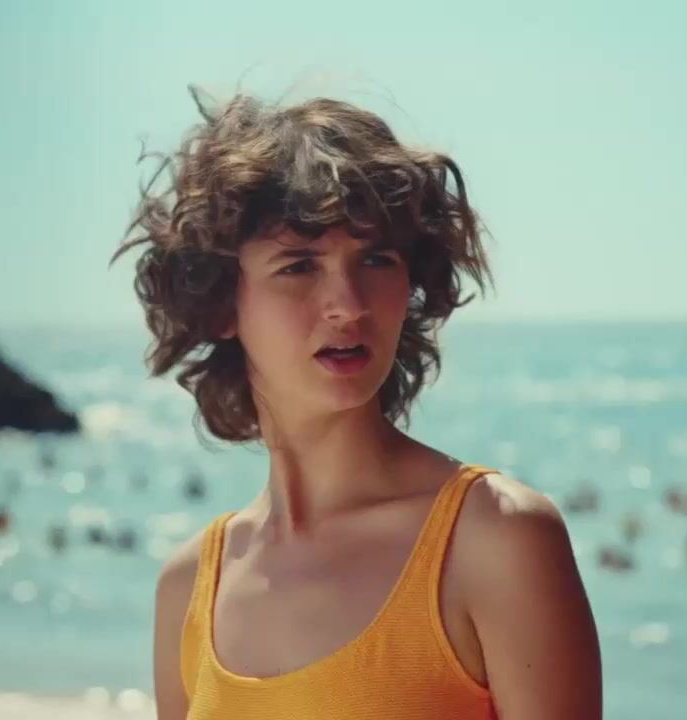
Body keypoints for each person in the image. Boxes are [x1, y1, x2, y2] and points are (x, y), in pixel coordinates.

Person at [113, 87, 601, 719]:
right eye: (298, 266)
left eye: (376, 259)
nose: (348, 303)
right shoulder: (188, 591)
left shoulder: (495, 540)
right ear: (221, 304)